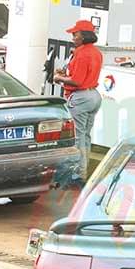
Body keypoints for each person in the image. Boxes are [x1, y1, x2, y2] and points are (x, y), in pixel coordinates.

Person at [53, 20, 103, 186]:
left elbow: (77, 80)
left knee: (77, 137)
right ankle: (84, 171)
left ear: (84, 35)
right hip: (94, 96)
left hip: (81, 98)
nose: (73, 37)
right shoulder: (96, 52)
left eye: (76, 34)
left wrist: (59, 78)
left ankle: (77, 175)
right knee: (86, 136)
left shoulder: (82, 53)